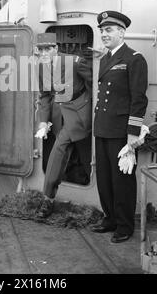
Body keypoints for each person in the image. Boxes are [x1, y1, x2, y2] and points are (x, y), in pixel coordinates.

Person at [91, 11, 148, 243]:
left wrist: (133, 133)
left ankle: (125, 225)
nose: (104, 34)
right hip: (103, 127)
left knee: (122, 179)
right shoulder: (105, 59)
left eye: (109, 30)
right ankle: (110, 218)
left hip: (121, 131)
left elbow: (138, 99)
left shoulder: (134, 58)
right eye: (102, 30)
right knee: (104, 178)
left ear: (122, 32)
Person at [35, 33, 92, 218]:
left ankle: (48, 199)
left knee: (79, 153)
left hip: (79, 114)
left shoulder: (76, 62)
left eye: (48, 49)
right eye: (41, 49)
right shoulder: (41, 67)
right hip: (59, 115)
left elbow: (94, 84)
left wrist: (93, 112)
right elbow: (45, 96)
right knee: (68, 153)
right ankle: (50, 197)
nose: (44, 53)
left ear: (56, 49)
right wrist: (43, 121)